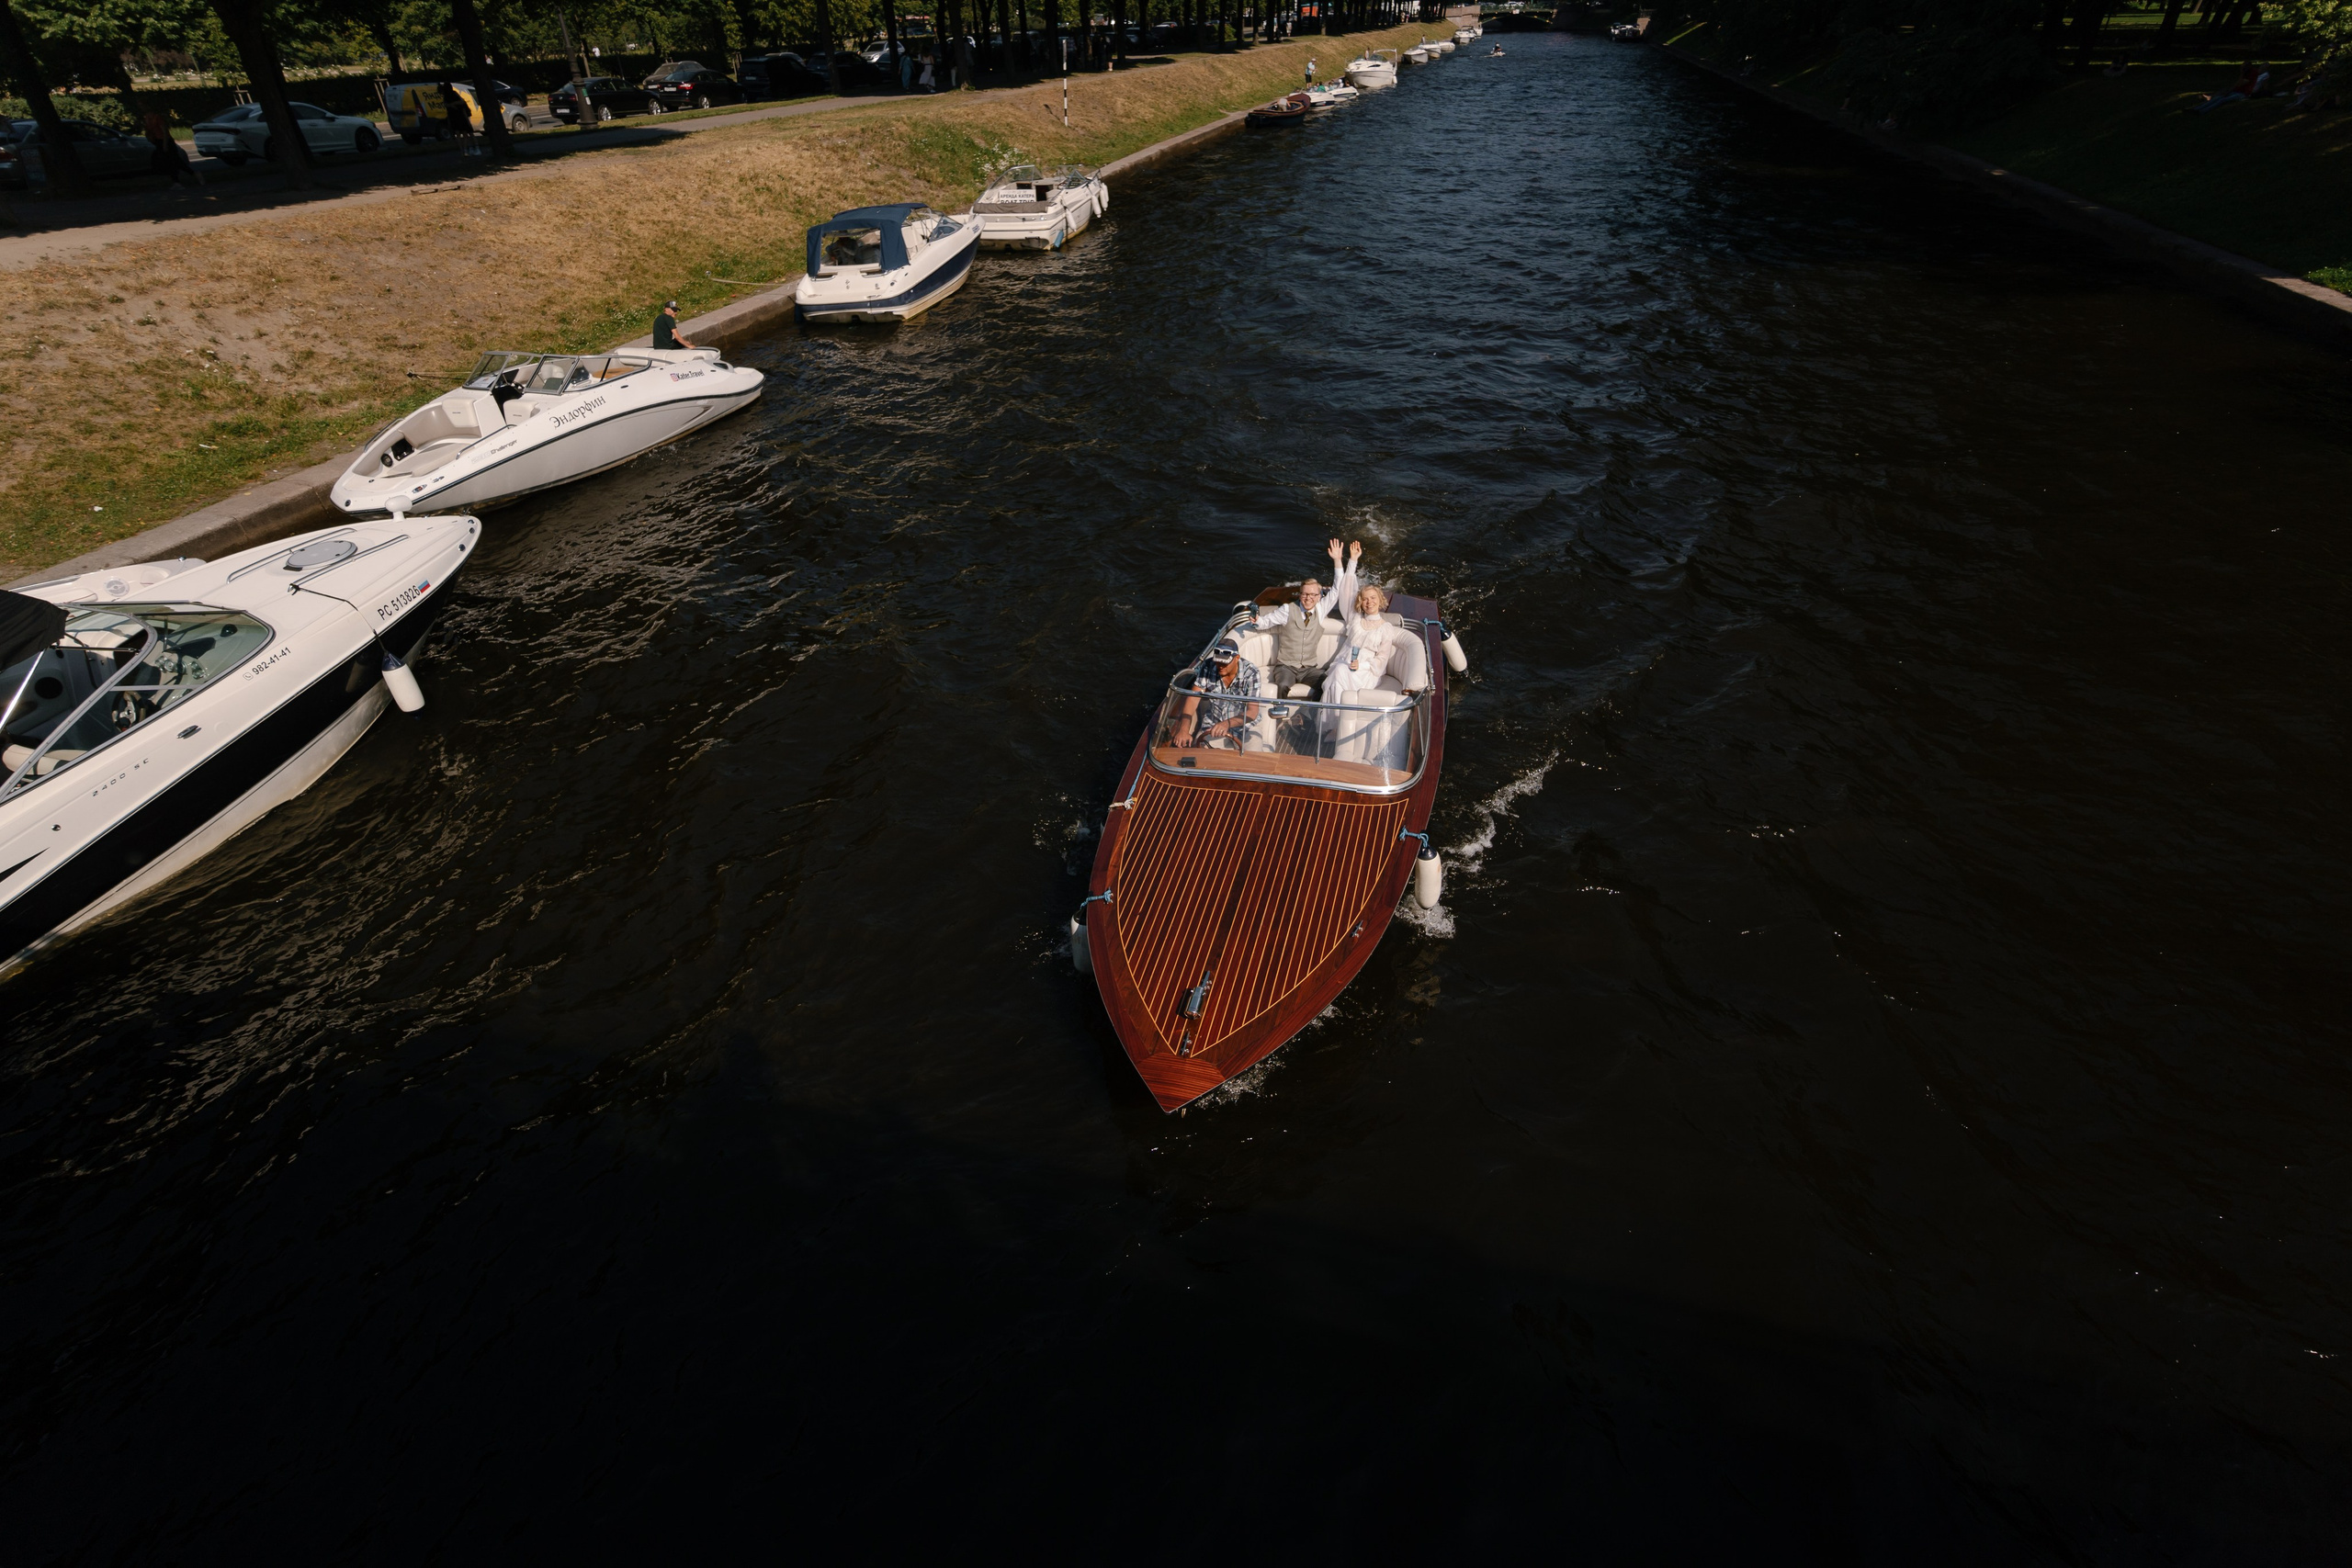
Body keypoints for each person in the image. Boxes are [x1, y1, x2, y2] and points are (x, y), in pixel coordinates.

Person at [1248, 537, 1358, 699]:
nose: (1308, 598)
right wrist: (1256, 621)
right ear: (1300, 594)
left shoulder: (1321, 609)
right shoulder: (1287, 610)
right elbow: (1265, 622)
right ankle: (1280, 714)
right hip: (1286, 667)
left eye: (1313, 595)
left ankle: (1308, 718)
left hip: (1309, 669)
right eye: (1305, 594)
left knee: (1327, 683)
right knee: (1283, 685)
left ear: (1319, 596)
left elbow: (1337, 588)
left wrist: (1337, 561)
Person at [1321, 577, 1406, 708]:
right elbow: (1346, 592)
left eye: (1373, 598)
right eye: (1365, 599)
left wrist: (1362, 666)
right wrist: (1350, 561)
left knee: (1339, 672)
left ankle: (1337, 718)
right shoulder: (1355, 619)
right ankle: (1335, 721)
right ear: (1360, 602)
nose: (1369, 602)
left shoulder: (1386, 628)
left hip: (1367, 672)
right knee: (1339, 671)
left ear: (1380, 600)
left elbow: (1382, 659)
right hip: (1344, 663)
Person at [1172, 638, 1263, 750]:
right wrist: (1184, 730)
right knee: (1200, 757)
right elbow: (1193, 699)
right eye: (1218, 661)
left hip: (1246, 727)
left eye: (1225, 662)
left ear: (1237, 658)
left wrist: (1226, 724)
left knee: (1255, 761)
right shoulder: (1208, 666)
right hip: (1213, 724)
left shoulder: (1251, 673)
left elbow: (1252, 712)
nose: (1220, 666)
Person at [143, 111, 201, 188]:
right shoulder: (147, 118)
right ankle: (177, 181)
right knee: (169, 162)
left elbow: (165, 132)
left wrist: (165, 145)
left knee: (174, 161)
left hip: (165, 141)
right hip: (158, 141)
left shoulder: (157, 117)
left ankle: (191, 175)